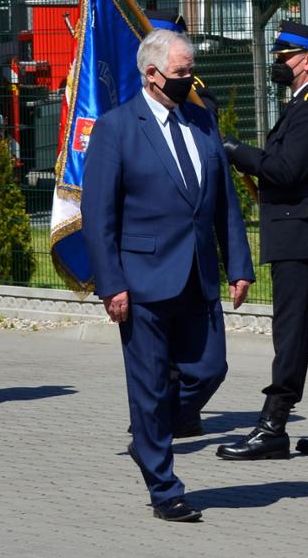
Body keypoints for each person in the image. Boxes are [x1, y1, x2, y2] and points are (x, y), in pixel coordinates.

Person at [82, 28, 253, 522]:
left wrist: (237, 264)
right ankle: (164, 486)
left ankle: (149, 432)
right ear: (151, 75)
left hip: (197, 275)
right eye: (181, 73)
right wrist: (111, 283)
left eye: (190, 71)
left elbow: (224, 203)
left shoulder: (201, 120)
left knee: (209, 369)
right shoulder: (116, 128)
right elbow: (99, 216)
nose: (189, 80)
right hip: (141, 280)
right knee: (150, 385)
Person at [218, 21, 308, 460]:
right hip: (295, 231)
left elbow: (285, 170)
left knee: (291, 332)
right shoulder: (302, 103)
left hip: (300, 234)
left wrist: (232, 148)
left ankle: (273, 425)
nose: (278, 63)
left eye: (284, 56)